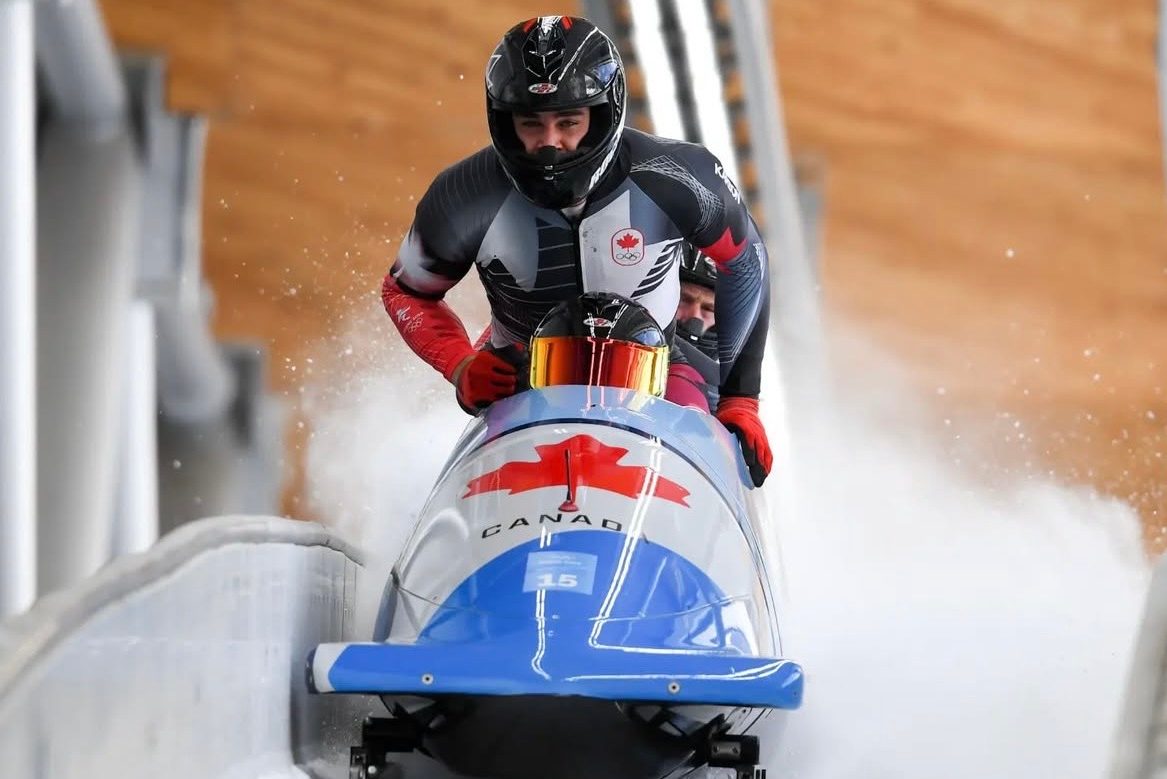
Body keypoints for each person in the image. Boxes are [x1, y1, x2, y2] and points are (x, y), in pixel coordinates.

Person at [381, 15, 773, 487]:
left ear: (602, 116)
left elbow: (745, 262)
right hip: (518, 372)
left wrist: (740, 400)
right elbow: (407, 291)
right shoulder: (464, 194)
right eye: (531, 124)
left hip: (658, 368)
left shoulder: (681, 177)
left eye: (568, 122)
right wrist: (460, 363)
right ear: (505, 124)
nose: (550, 143)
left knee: (722, 454)